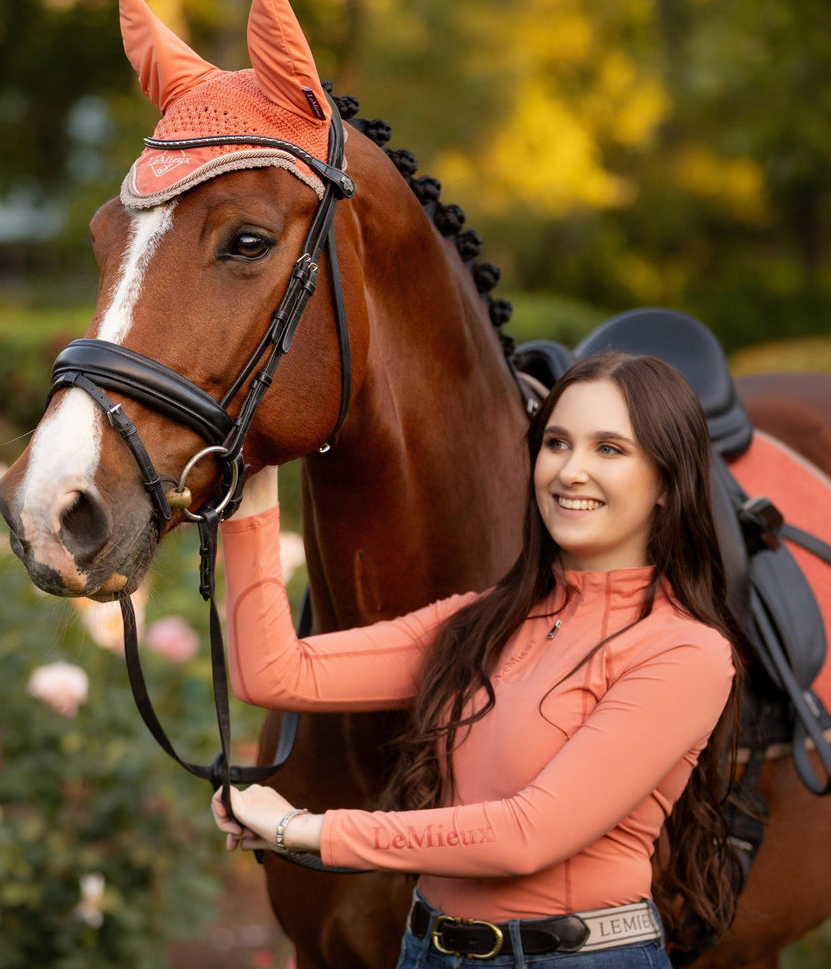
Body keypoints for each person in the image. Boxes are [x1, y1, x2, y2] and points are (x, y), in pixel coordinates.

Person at [211, 352, 746, 969]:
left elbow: (527, 836)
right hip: (428, 949)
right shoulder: (484, 619)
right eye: (557, 443)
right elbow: (275, 673)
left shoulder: (683, 651)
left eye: (609, 449)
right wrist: (252, 480)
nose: (570, 471)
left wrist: (303, 829)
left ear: (667, 483)